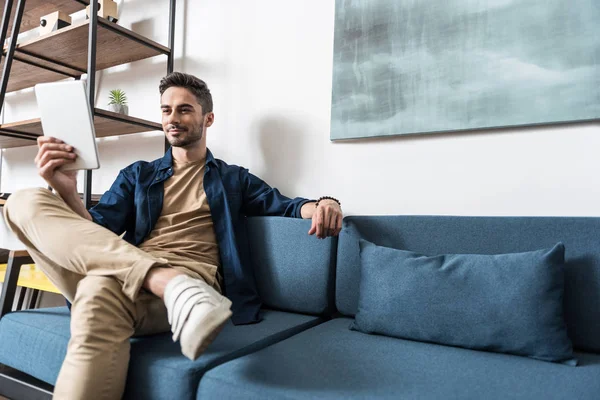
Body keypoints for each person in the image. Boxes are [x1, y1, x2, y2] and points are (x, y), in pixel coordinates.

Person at [3, 72, 343, 400]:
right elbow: (95, 235)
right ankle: (162, 279)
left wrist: (327, 202)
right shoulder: (138, 175)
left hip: (192, 278)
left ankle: (172, 283)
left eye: (184, 109)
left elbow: (286, 205)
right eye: (166, 110)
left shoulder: (232, 178)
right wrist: (67, 192)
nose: (172, 118)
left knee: (96, 289)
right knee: (22, 201)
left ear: (208, 119)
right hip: (135, 274)